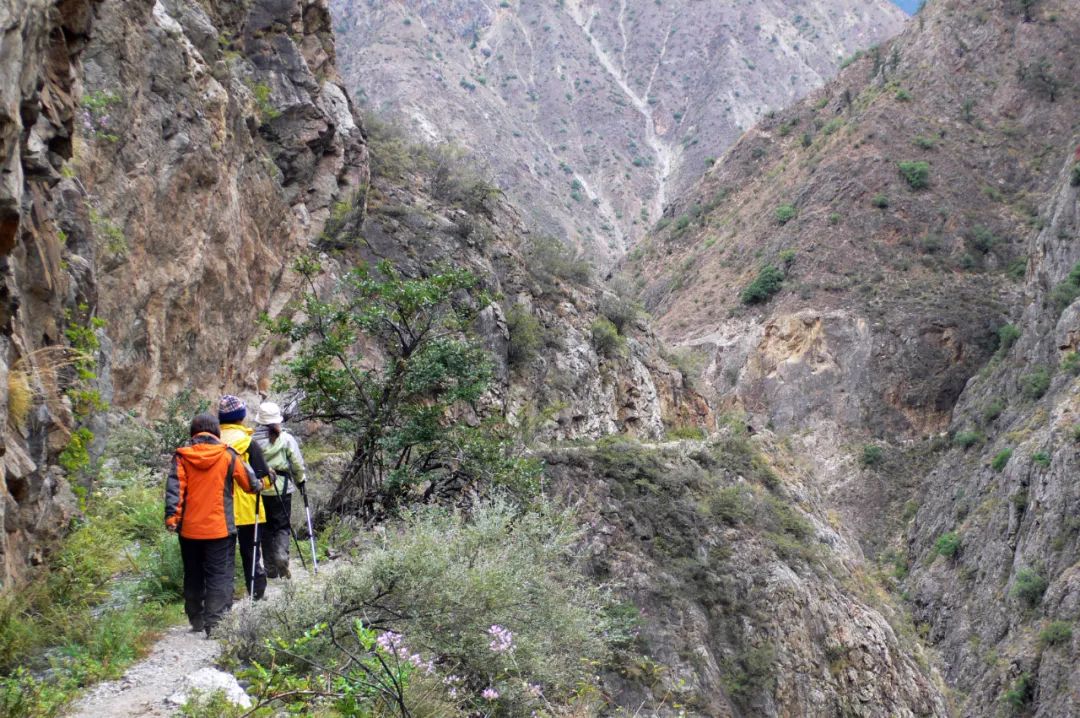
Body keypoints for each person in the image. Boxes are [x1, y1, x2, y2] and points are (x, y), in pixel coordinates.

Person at [164, 413, 262, 636]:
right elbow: (250, 483)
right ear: (216, 433)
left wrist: (172, 518)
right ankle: (216, 624)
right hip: (220, 530)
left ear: (193, 434)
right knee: (220, 574)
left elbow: (174, 490)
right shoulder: (228, 455)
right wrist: (261, 482)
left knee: (193, 572)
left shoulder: (182, 457)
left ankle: (196, 618)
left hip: (189, 530)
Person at [218, 395, 274, 599]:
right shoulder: (248, 443)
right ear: (240, 418)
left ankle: (223, 598)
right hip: (248, 509)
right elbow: (264, 479)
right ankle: (257, 593)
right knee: (251, 554)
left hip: (220, 510)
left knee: (223, 558)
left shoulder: (213, 443)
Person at [253, 401, 308, 579]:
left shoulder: (252, 441)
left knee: (266, 528)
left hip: (260, 490)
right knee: (282, 526)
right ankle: (282, 556)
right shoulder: (286, 439)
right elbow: (297, 464)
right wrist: (301, 481)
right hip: (283, 489)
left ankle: (270, 569)